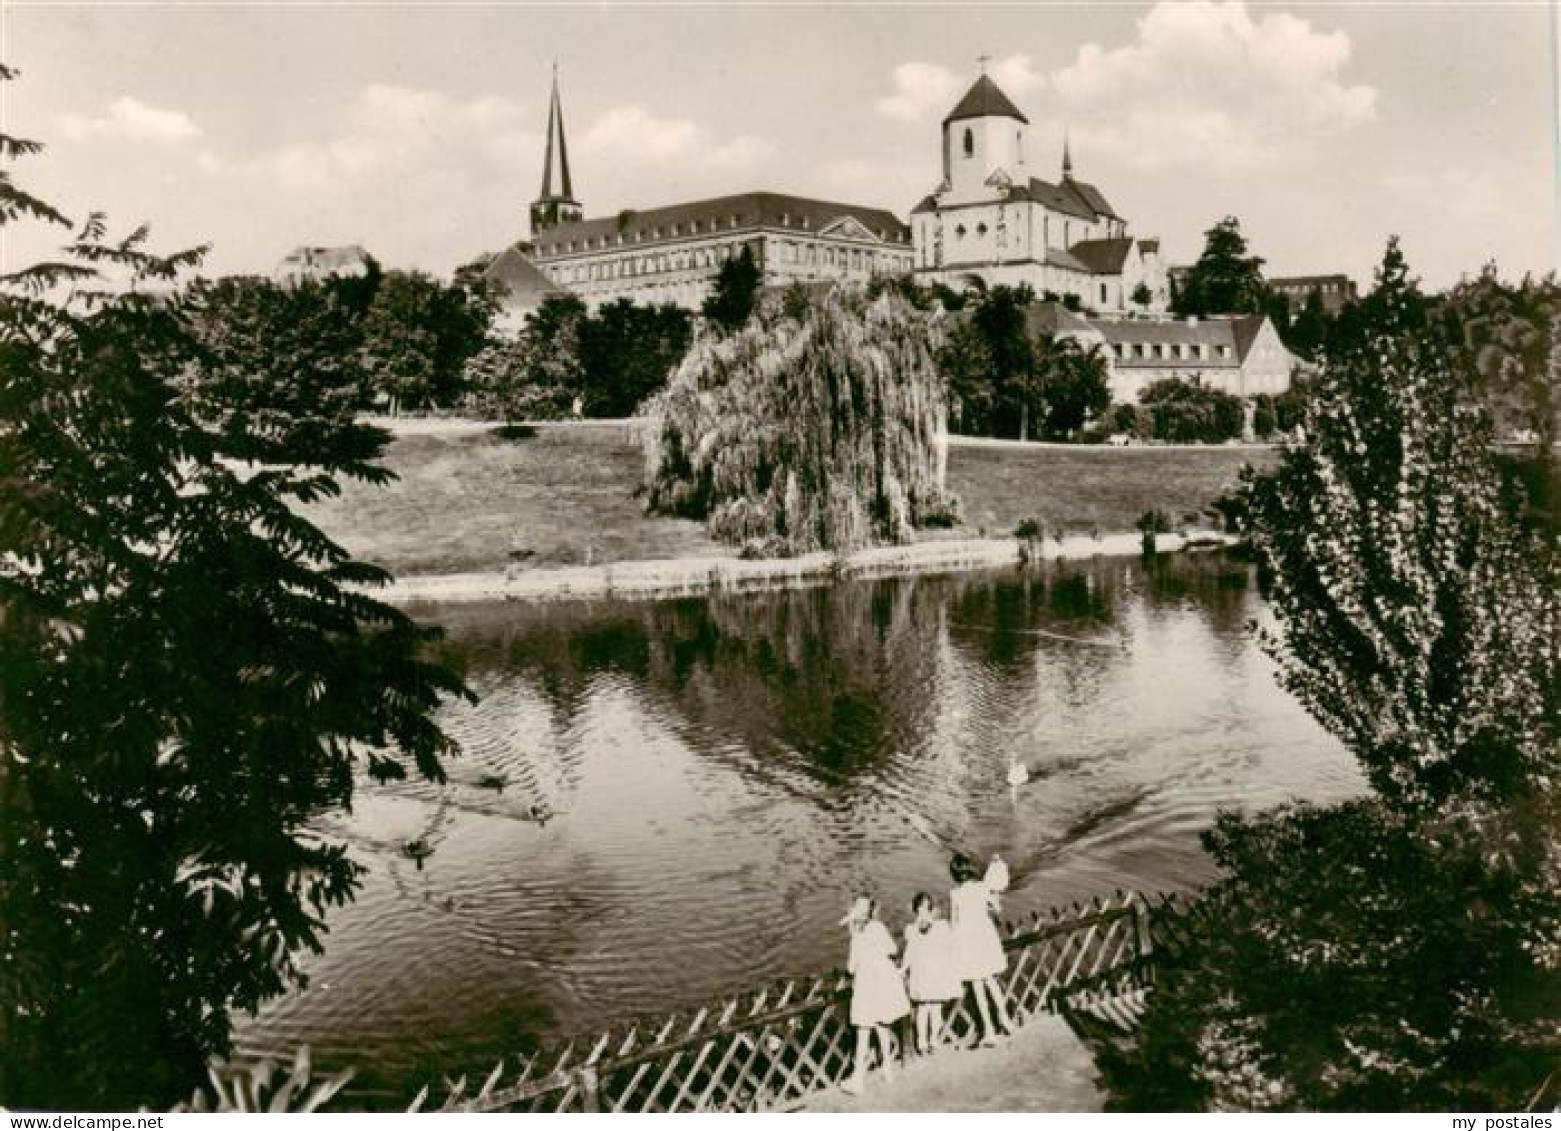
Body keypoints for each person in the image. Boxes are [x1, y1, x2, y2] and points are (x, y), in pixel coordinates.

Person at [840, 894, 910, 1095]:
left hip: (867, 985)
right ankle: (887, 1069)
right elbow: (893, 948)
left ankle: (858, 1080)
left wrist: (853, 935)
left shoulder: (857, 935)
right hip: (884, 981)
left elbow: (852, 968)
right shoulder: (878, 927)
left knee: (863, 1032)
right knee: (882, 1026)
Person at [949, 852, 1014, 1046]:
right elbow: (997, 910)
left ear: (954, 874)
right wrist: (988, 907)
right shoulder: (982, 887)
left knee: (978, 986)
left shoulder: (954, 893)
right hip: (985, 938)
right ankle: (1005, 1020)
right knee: (991, 981)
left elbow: (954, 923)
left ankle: (989, 1030)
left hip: (968, 941)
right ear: (970, 869)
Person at [901, 892, 961, 1056]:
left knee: (935, 1007)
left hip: (935, 972)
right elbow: (909, 952)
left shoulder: (940, 926)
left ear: (931, 909)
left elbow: (950, 942)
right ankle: (922, 1041)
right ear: (916, 910)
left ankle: (933, 1040)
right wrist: (903, 968)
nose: (924, 911)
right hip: (921, 973)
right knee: (923, 1007)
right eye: (920, 908)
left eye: (927, 907)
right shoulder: (911, 929)